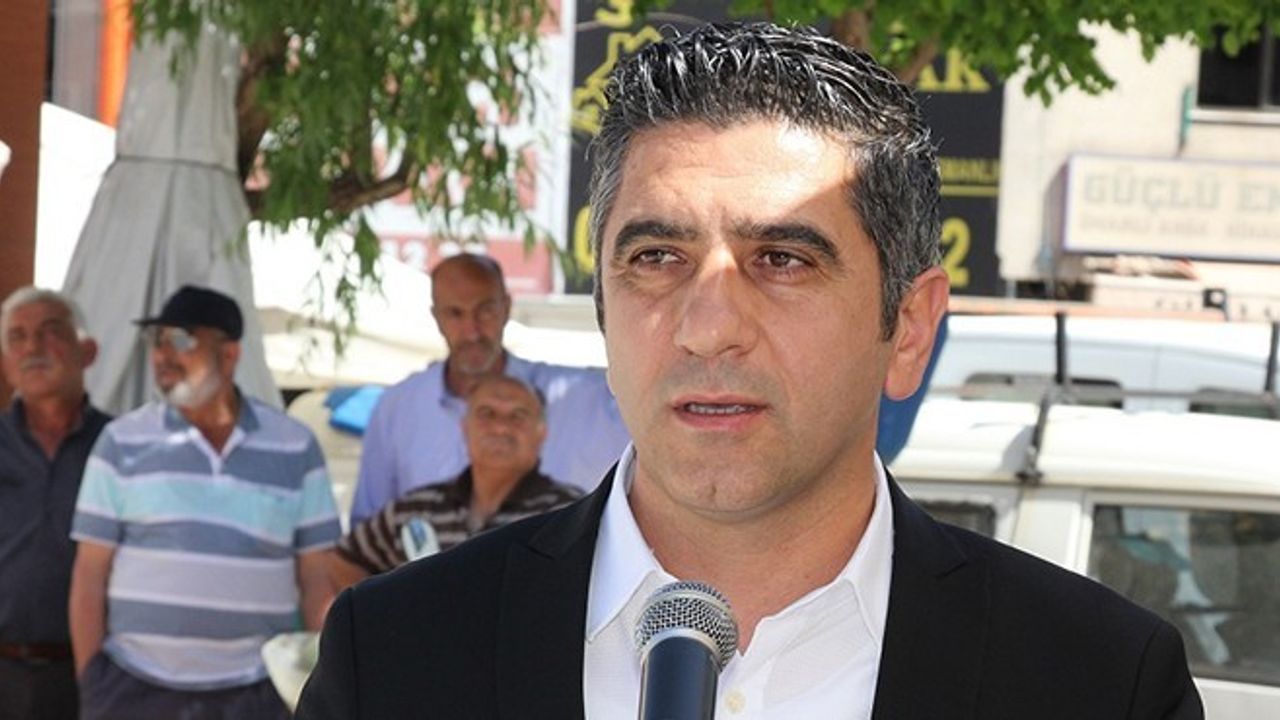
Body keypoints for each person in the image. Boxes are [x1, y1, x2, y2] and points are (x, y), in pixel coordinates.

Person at [296, 23, 1202, 719]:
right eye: (656, 257)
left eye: (783, 260)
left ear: (909, 328)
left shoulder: (1099, 684)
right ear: (603, 308)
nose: (709, 328)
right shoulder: (395, 656)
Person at [68, 285, 342, 720]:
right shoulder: (121, 442)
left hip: (257, 694)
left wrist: (316, 688)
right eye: (157, 341)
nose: (163, 355)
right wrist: (93, 683)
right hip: (133, 689)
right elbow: (89, 573)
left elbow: (316, 578)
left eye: (180, 340)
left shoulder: (295, 446)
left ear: (229, 354)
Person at [349, 252, 628, 522]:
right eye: (455, 314)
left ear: (506, 308)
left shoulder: (583, 399)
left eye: (485, 311)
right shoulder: (398, 408)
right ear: (436, 317)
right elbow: (367, 527)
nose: (472, 331)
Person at [331, 374, 582, 589]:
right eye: (487, 414)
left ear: (542, 432)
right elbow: (345, 560)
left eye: (518, 415)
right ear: (464, 427)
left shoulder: (569, 514)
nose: (500, 427)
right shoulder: (415, 508)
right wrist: (378, 620)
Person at [0, 288, 110, 720]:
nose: (32, 348)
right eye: (17, 337)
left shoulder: (121, 449)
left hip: (91, 676)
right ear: (6, 362)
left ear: (88, 351)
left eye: (51, 332)